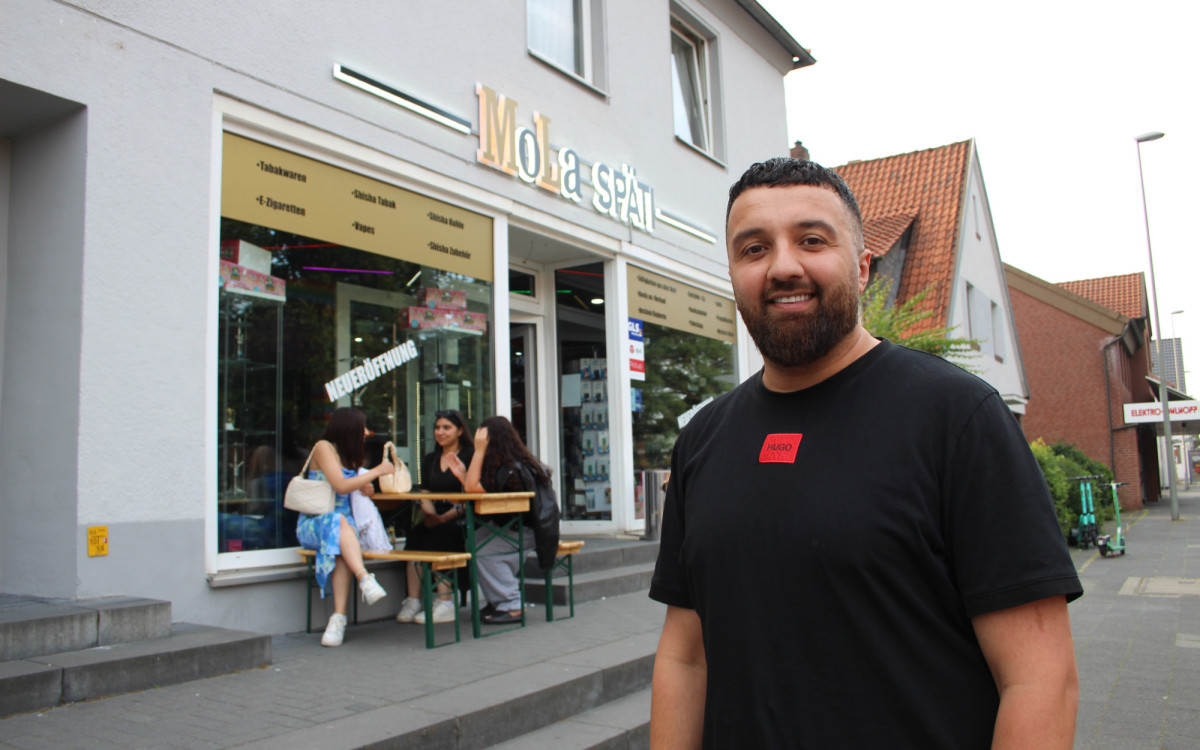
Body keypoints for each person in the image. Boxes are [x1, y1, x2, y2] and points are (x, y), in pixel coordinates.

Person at [648, 158, 1082, 748]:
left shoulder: (957, 419)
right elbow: (684, 658)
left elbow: (1039, 681)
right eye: (753, 249)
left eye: (811, 240)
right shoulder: (702, 440)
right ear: (733, 274)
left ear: (862, 266)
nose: (782, 266)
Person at [296, 407, 395, 647]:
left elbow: (351, 486)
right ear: (348, 427)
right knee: (337, 524)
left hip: (342, 529)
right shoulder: (324, 447)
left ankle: (338, 618)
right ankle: (364, 578)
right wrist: (376, 473)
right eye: (362, 427)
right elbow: (341, 486)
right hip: (315, 523)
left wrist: (366, 488)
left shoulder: (348, 455)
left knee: (341, 544)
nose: (366, 432)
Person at [454, 415, 548, 625]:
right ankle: (498, 600)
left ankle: (512, 604)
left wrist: (478, 451)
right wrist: (463, 474)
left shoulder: (513, 468)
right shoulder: (506, 464)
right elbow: (478, 490)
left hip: (527, 531)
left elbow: (472, 489)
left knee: (485, 553)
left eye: (483, 436)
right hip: (510, 527)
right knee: (473, 542)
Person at [395, 409, 473, 626]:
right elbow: (425, 492)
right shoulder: (430, 458)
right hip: (434, 515)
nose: (440, 432)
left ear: (459, 431)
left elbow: (470, 494)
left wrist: (443, 518)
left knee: (441, 534)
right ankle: (412, 600)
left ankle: (446, 602)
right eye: (437, 427)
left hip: (459, 516)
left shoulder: (469, 455)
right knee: (416, 536)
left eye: (446, 427)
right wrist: (429, 514)